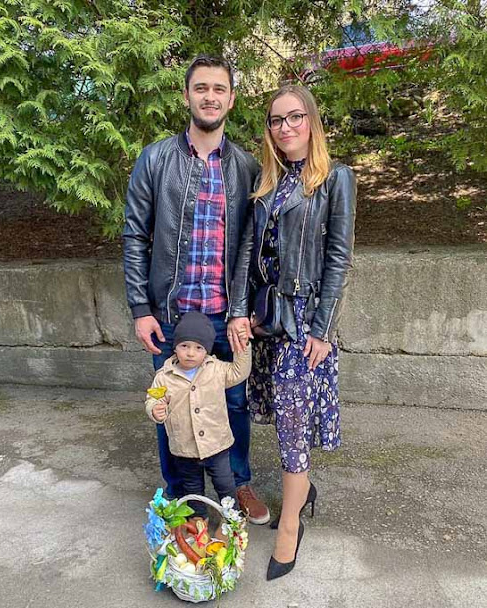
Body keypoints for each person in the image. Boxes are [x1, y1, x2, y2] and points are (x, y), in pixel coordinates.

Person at [123, 54, 269, 524]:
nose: (210, 96)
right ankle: (178, 494)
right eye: (201, 88)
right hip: (169, 315)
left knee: (233, 402)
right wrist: (140, 307)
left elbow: (250, 244)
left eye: (219, 89)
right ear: (186, 95)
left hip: (226, 316)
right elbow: (135, 235)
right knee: (170, 406)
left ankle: (238, 484)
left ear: (231, 97)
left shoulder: (245, 166)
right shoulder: (156, 159)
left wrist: (243, 309)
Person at [242, 84, 356, 579]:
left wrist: (323, 328)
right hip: (268, 319)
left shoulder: (335, 179)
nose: (285, 127)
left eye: (294, 117)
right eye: (275, 120)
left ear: (311, 120)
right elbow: (250, 254)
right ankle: (301, 493)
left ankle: (290, 527)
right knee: (281, 416)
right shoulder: (267, 182)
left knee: (292, 423)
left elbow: (338, 258)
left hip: (306, 323)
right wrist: (242, 312)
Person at [145, 312, 251, 521]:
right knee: (192, 487)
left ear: (206, 350)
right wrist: (154, 410)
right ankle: (198, 520)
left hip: (216, 445)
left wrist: (243, 346)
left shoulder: (216, 369)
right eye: (185, 346)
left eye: (198, 348)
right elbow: (152, 399)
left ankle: (231, 520)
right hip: (183, 447)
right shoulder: (164, 376)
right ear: (175, 347)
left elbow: (239, 372)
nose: (191, 353)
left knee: (225, 484)